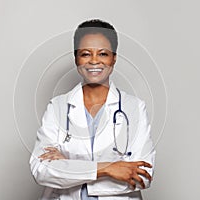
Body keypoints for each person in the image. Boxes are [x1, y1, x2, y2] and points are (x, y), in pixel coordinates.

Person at [30, 19, 155, 200]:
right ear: (76, 58)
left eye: (103, 54)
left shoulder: (134, 108)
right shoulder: (57, 107)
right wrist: (108, 168)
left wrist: (68, 167)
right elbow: (41, 170)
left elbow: (142, 176)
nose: (94, 61)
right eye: (86, 54)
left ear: (114, 58)